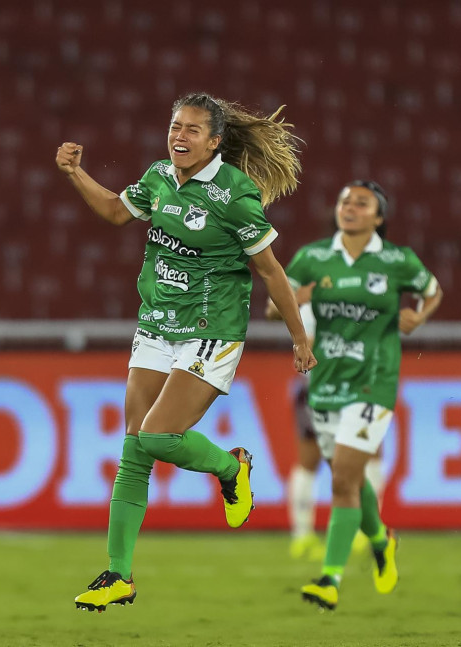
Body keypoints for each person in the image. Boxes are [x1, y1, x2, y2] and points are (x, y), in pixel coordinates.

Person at [55, 92, 317, 613]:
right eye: (176, 125)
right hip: (156, 324)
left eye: (194, 129)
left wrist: (299, 338)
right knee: (135, 445)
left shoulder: (235, 196)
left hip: (210, 331)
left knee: (157, 435)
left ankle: (230, 467)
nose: (180, 135)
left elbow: (271, 272)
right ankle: (118, 575)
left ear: (215, 141)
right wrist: (76, 173)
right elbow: (112, 211)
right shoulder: (157, 178)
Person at [268, 180, 442, 611]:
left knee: (343, 478)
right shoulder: (313, 257)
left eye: (362, 203)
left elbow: (433, 290)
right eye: (345, 200)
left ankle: (330, 578)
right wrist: (293, 300)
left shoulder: (398, 260)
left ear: (378, 217)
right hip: (325, 383)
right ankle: (382, 540)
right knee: (349, 478)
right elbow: (274, 308)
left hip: (374, 381)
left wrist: (417, 317)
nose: (350, 207)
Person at [284, 301, 387, 561]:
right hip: (321, 392)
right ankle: (302, 536)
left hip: (354, 391)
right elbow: (304, 349)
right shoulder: (311, 310)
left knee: (370, 456)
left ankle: (364, 529)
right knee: (310, 461)